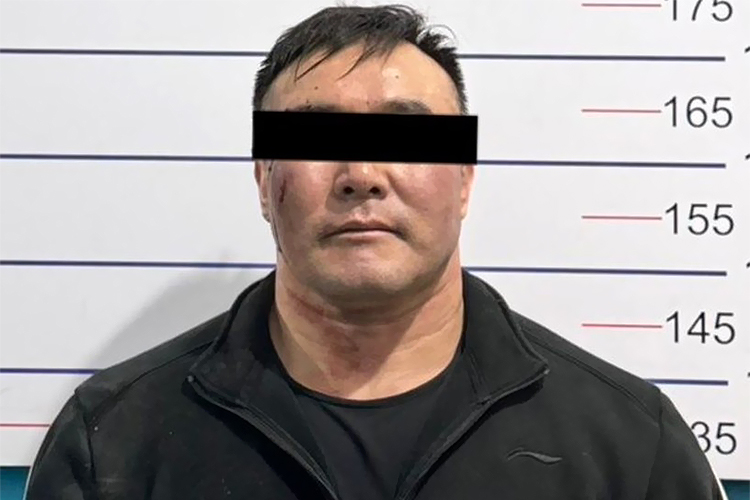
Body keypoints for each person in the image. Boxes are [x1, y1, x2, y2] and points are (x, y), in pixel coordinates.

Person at [26, 5, 727, 499]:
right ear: (265, 180)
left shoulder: (629, 448)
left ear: (464, 179)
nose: (361, 173)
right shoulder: (113, 442)